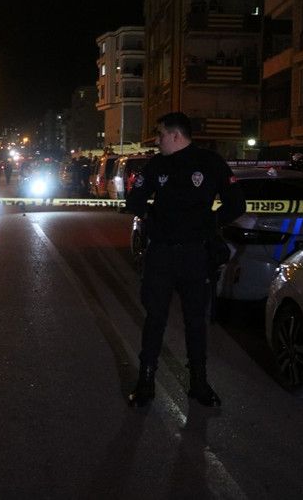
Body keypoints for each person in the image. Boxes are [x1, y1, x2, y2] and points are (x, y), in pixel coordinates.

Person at [125, 112, 245, 408]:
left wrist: (209, 223)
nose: (157, 140)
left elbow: (237, 203)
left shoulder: (210, 162)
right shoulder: (157, 165)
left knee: (196, 321)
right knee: (155, 318)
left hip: (195, 254)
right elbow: (134, 200)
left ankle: (199, 383)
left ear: (176, 135)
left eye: (160, 134)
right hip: (162, 254)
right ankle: (146, 381)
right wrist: (156, 219)